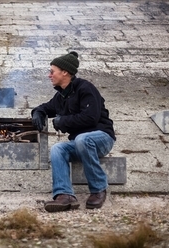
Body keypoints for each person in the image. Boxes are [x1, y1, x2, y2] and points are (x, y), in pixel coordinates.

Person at [31, 51, 116, 212]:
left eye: (52, 71)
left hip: (102, 138)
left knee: (82, 139)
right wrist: (38, 112)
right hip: (81, 143)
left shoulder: (85, 88)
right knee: (58, 149)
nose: (49, 75)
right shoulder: (61, 96)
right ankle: (64, 195)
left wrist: (63, 121)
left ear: (65, 72)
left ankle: (98, 189)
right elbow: (45, 107)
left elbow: (91, 117)